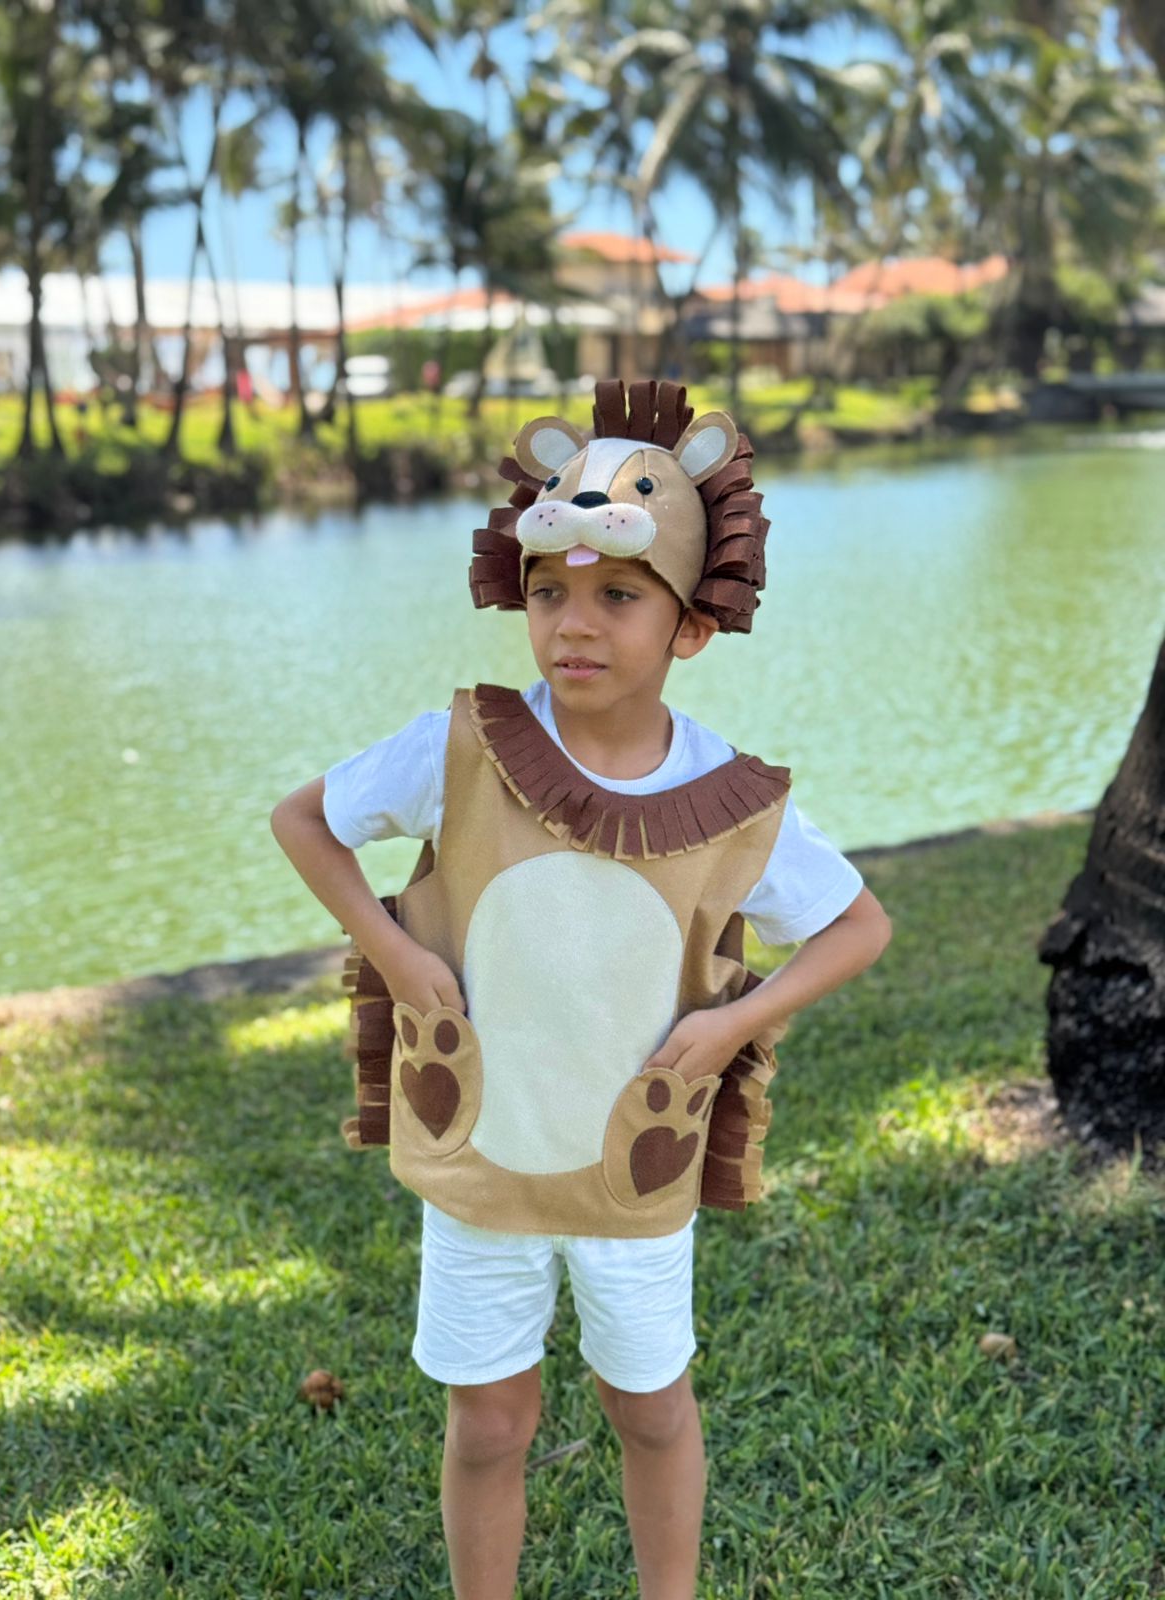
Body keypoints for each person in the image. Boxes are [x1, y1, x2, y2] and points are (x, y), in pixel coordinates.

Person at [271, 378, 891, 1600]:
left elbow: (857, 926)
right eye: (549, 591)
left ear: (690, 627)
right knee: (490, 1421)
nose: (574, 625)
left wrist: (733, 1023)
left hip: (631, 1170)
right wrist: (397, 954)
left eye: (618, 595)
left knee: (649, 1407)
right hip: (484, 1160)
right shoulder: (461, 749)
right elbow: (305, 821)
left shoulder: (730, 800)